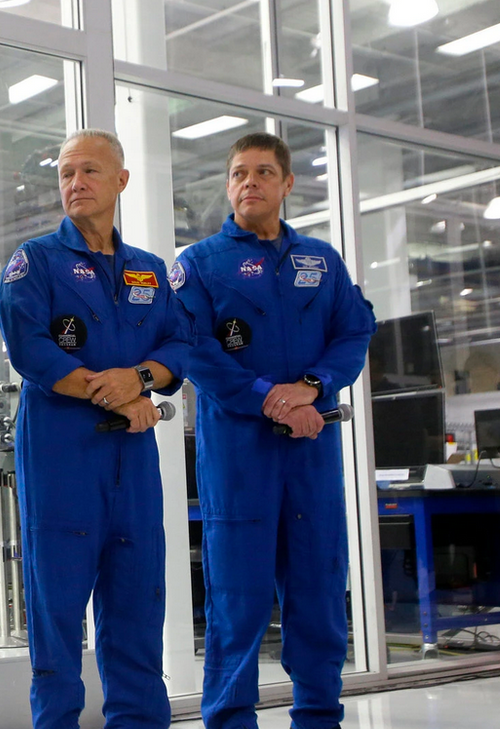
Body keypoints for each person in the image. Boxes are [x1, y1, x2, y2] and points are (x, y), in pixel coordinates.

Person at [173, 132, 375, 729]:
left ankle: (319, 715)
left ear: (287, 184)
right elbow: (197, 352)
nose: (250, 182)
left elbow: (354, 331)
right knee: (238, 600)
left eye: (264, 172)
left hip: (312, 453)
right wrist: (272, 401)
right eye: (239, 173)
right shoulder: (199, 265)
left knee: (318, 592)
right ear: (229, 185)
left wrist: (312, 386)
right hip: (240, 459)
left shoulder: (322, 260)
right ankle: (230, 719)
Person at [0, 130, 191, 729]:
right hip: (62, 461)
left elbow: (179, 345)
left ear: (121, 181)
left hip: (131, 468)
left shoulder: (151, 273)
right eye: (66, 173)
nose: (75, 183)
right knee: (56, 615)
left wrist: (137, 380)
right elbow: (31, 350)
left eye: (89, 172)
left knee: (137, 605)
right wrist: (116, 394)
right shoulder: (35, 263)